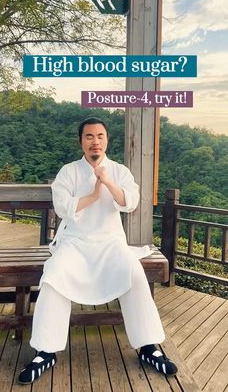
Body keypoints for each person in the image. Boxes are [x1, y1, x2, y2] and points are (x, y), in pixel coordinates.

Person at [18, 117, 177, 384]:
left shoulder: (119, 171)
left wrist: (106, 180)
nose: (95, 141)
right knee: (54, 278)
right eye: (89, 136)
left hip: (110, 242)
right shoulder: (68, 171)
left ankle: (149, 347)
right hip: (74, 242)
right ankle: (45, 351)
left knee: (134, 275)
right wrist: (92, 195)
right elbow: (61, 206)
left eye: (100, 136)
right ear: (81, 141)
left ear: (107, 140)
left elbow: (130, 203)